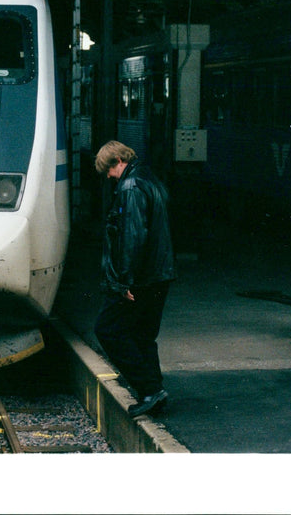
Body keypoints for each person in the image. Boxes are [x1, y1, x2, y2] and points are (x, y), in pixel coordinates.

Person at [93, 140, 176, 417]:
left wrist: (123, 282)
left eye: (108, 169)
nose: (107, 176)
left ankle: (149, 389)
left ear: (118, 159)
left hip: (140, 279)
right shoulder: (150, 178)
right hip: (159, 274)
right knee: (143, 335)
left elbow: (132, 236)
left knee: (107, 329)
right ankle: (155, 393)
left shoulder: (130, 187)